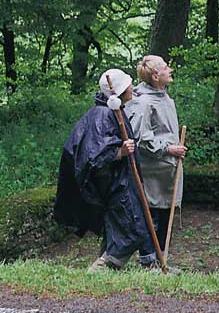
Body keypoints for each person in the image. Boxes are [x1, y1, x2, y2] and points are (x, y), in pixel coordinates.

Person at [52, 68, 158, 271]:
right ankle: (102, 268)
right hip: (117, 186)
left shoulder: (114, 111)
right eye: (128, 85)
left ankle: (148, 263)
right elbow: (95, 156)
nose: (132, 88)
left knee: (132, 224)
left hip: (124, 182)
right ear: (118, 91)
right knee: (130, 229)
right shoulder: (103, 115)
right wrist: (120, 152)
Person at [125, 55, 187, 255]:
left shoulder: (165, 98)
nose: (170, 70)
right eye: (165, 67)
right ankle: (150, 258)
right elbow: (140, 137)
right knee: (152, 213)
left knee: (164, 211)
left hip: (168, 168)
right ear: (154, 76)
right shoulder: (143, 103)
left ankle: (161, 258)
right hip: (153, 169)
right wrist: (168, 149)